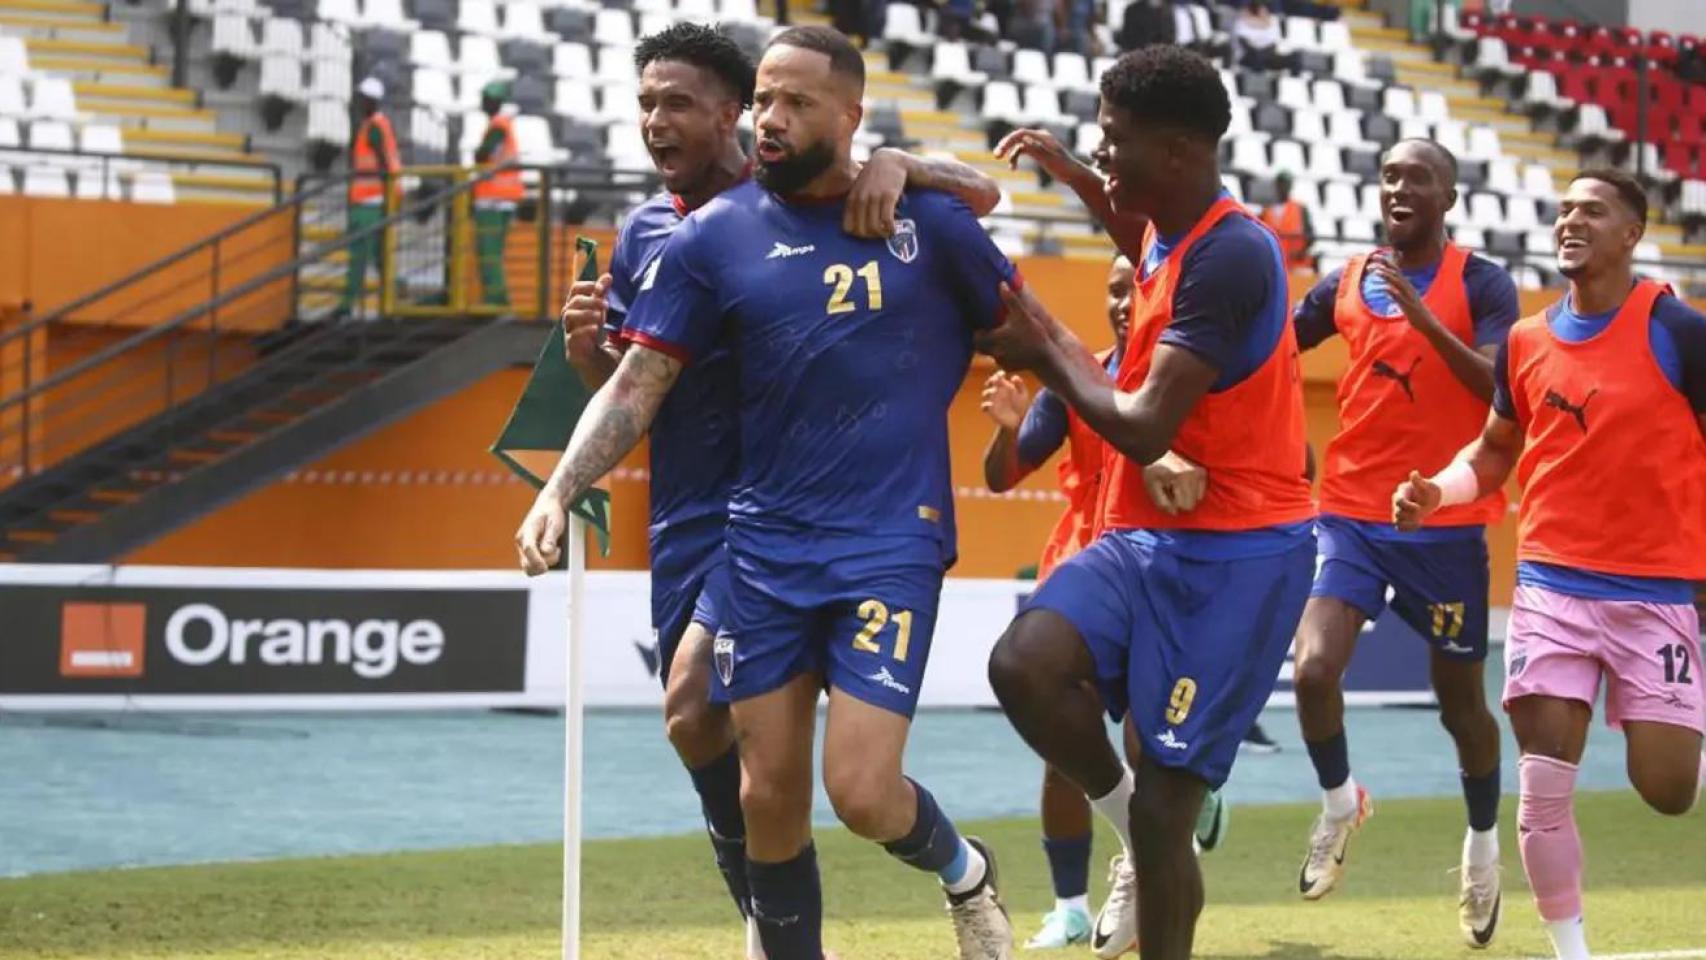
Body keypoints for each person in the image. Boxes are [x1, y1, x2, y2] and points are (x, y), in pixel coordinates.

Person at [520, 25, 1018, 960]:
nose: (655, 122)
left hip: (793, 510)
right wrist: (590, 361)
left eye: (677, 103)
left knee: (726, 724)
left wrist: (901, 160)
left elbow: (981, 196)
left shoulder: (811, 189)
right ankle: (772, 917)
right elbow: (637, 387)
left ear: (729, 112)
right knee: (703, 728)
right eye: (645, 104)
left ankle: (786, 928)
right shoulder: (649, 233)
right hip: (689, 513)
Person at [982, 45, 1315, 960]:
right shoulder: (1169, 230)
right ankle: (1139, 822)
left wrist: (1043, 342)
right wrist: (1071, 171)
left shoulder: (1234, 254)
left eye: (1114, 141)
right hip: (1150, 540)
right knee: (1023, 665)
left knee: (1172, 802)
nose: (1103, 151)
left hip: (1241, 556)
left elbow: (1140, 422)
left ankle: (1155, 830)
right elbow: (1136, 233)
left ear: (1176, 153)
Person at [1394, 168, 1706, 960]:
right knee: (1541, 791)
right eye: (1564, 209)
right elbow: (1496, 450)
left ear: (1632, 233)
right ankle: (1572, 953)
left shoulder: (1681, 333)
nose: (1571, 220)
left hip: (1658, 592)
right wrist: (1440, 488)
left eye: (1592, 211)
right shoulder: (1527, 341)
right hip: (1551, 588)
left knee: (1668, 791)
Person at [1288, 138, 1518, 947]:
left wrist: (1422, 317)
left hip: (1446, 523)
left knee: (1463, 710)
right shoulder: (1345, 280)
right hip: (1351, 511)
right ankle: (1340, 801)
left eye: (1417, 177)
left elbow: (1498, 384)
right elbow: (1275, 351)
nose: (1399, 188)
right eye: (1389, 176)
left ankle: (1484, 848)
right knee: (1314, 669)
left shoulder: (1483, 284)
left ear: (1448, 197)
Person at [978, 255, 1230, 949]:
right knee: (1062, 749)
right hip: (1082, 571)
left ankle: (1141, 868)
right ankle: (1070, 905)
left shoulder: (1193, 381)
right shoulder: (1076, 376)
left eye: (1136, 289)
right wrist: (1007, 426)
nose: (1124, 302)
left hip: (1162, 580)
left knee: (1146, 748)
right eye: (1114, 291)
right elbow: (1004, 474)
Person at [339, 76, 401, 318]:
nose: (359, 102)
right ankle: (391, 305)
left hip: (370, 202)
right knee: (377, 258)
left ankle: (347, 307)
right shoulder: (378, 125)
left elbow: (384, 164)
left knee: (360, 257)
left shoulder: (374, 127)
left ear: (370, 101)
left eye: (363, 98)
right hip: (374, 201)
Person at [470, 81, 522, 307]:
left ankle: (496, 301)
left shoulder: (498, 126)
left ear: (493, 101)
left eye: (485, 99)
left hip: (493, 199)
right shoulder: (504, 125)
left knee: (489, 253)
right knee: (493, 254)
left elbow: (482, 155)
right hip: (505, 198)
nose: (482, 103)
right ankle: (497, 299)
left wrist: (477, 152)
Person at [1260, 172, 1313, 272]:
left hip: (1297, 268)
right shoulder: (1266, 211)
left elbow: (1310, 236)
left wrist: (1300, 252)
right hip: (1273, 267)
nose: (1284, 187)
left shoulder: (1300, 209)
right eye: (1281, 183)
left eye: (1286, 184)